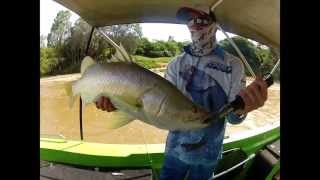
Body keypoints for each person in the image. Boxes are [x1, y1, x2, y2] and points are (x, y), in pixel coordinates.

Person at [96, 6, 268, 180]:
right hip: (174, 152)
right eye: (190, 20)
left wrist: (244, 108)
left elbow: (232, 118)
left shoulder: (233, 64)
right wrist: (119, 104)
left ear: (214, 24)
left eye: (200, 19)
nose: (194, 25)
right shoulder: (175, 64)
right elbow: (157, 108)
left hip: (208, 156)